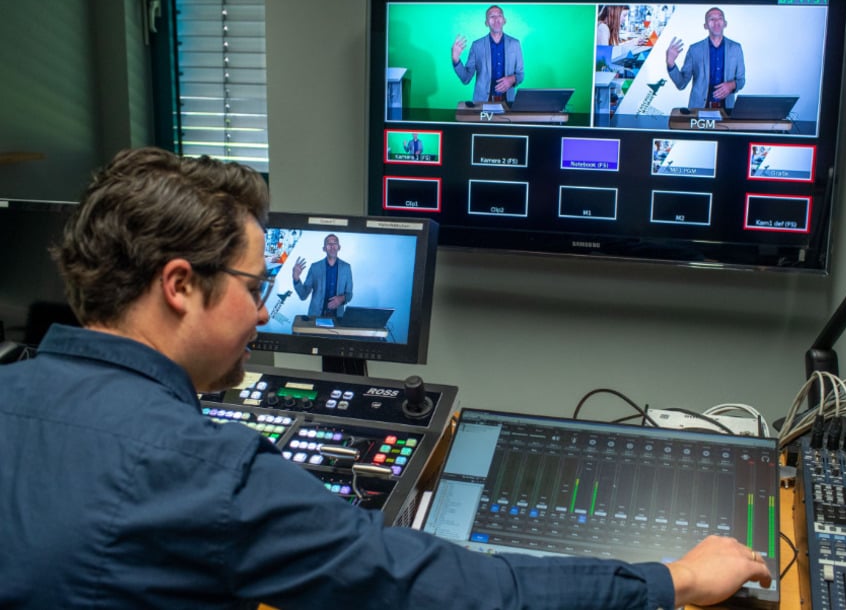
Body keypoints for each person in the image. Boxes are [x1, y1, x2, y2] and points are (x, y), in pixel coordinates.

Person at [0, 147, 772, 609]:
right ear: (178, 285)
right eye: (254, 289)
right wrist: (670, 581)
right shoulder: (202, 473)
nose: (264, 317)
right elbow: (453, 594)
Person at [666, 7, 745, 110]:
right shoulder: (694, 50)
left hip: (727, 110)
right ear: (705, 26)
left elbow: (741, 80)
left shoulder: (736, 48)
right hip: (698, 111)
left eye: (720, 18)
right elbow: (681, 84)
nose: (716, 21)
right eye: (711, 19)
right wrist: (671, 63)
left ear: (725, 23)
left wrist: (732, 85)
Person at [452, 5, 524, 103]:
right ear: (486, 23)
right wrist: (456, 60)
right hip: (482, 103)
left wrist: (512, 79)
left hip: (508, 102)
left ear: (504, 20)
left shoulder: (515, 44)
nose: (496, 19)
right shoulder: (477, 46)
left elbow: (521, 75)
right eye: (492, 16)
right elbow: (466, 78)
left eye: (499, 15)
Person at [292, 232, 353, 318]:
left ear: (339, 247)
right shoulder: (315, 267)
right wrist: (296, 279)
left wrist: (341, 298)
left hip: (338, 318)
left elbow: (349, 294)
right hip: (316, 317)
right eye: (329, 244)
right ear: (324, 248)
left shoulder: (346, 268)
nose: (332, 246)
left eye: (335, 243)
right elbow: (303, 295)